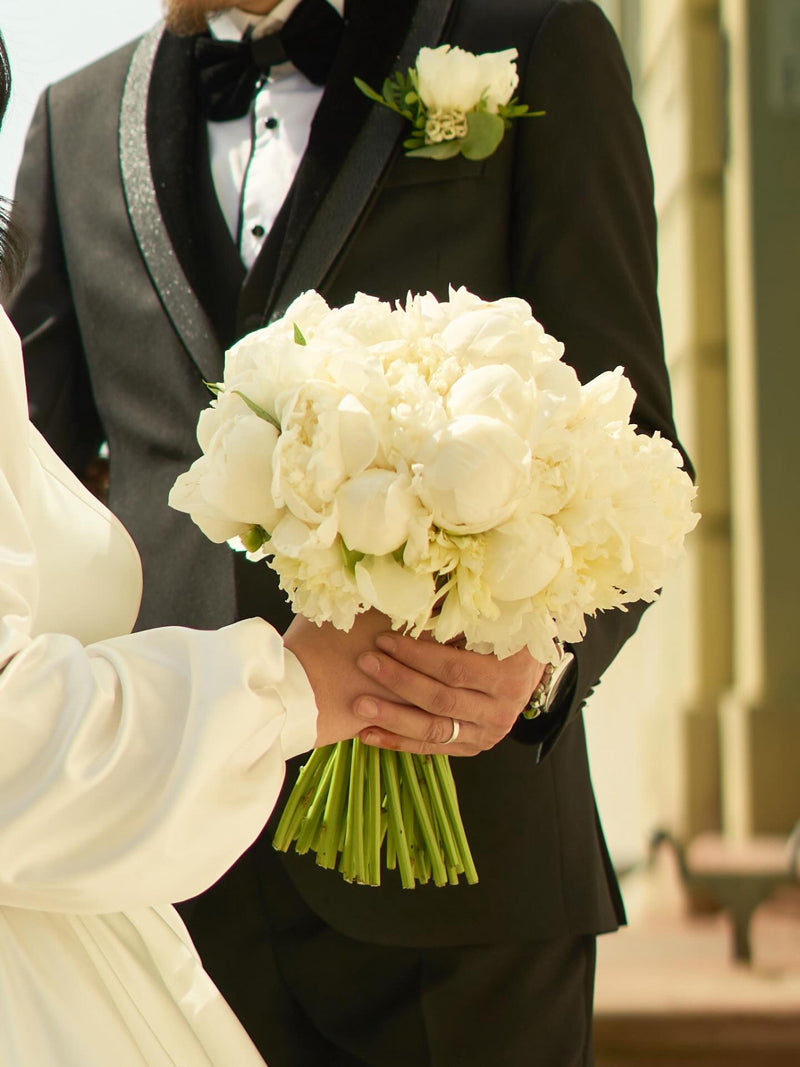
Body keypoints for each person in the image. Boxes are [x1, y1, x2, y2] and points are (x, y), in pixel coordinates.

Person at [7, 1, 691, 1064]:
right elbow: (33, 495)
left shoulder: (539, 36)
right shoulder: (70, 118)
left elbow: (632, 439)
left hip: (463, 866)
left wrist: (538, 663)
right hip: (169, 877)